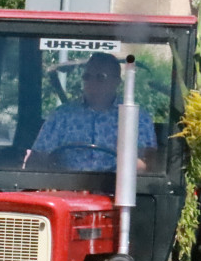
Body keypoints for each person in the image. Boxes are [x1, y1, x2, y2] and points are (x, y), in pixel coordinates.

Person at [27, 53, 156, 172]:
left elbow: (149, 165)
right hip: (67, 190)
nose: (91, 83)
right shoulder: (61, 116)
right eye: (87, 77)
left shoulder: (136, 119)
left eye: (100, 77)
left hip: (116, 191)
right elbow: (36, 160)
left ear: (117, 82)